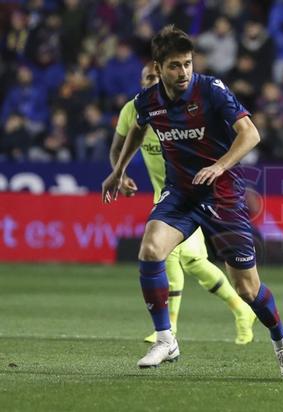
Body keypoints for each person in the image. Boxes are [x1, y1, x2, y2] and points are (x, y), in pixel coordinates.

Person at [101, 25, 283, 378]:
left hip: (222, 193)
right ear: (159, 67)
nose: (183, 73)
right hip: (180, 191)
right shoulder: (147, 101)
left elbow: (250, 133)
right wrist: (118, 170)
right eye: (175, 66)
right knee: (151, 249)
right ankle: (166, 338)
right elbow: (136, 127)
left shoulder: (210, 90)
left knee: (246, 288)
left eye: (188, 64)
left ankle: (281, 340)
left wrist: (220, 165)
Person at [110, 62, 256, 345]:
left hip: (193, 194)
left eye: (156, 76)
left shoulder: (186, 108)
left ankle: (171, 330)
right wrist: (120, 174)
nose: (152, 81)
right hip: (164, 195)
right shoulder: (136, 109)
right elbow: (117, 149)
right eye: (147, 77)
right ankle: (236, 311)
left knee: (178, 257)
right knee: (189, 260)